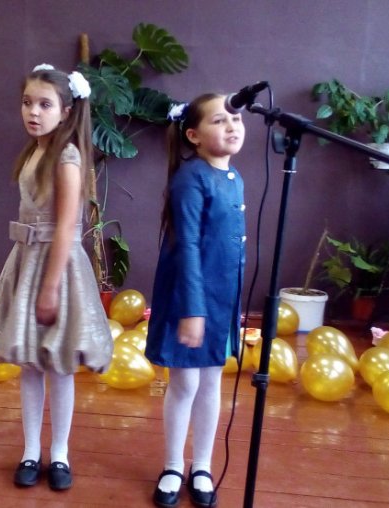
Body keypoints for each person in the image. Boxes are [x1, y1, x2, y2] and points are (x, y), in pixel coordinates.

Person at [0, 64, 113, 492]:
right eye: (27, 103)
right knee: (30, 365)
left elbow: (66, 228)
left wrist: (51, 287)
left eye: (45, 105)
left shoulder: (67, 157)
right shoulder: (33, 152)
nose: (33, 112)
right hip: (26, 261)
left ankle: (59, 452)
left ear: (66, 111)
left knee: (59, 367)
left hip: (55, 267)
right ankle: (30, 450)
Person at [144, 93, 247, 508]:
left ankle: (201, 466)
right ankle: (173, 465)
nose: (232, 126)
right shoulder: (190, 178)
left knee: (211, 382)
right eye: (219, 120)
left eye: (236, 119)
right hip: (189, 299)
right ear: (193, 135)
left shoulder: (234, 177)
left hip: (221, 301)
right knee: (185, 382)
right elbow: (186, 245)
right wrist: (193, 310)